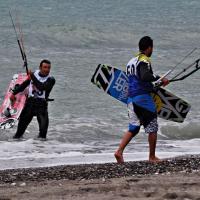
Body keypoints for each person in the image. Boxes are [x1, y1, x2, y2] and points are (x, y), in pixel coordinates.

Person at [114, 36, 169, 163]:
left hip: (131, 99)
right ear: (149, 47)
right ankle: (152, 157)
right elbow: (145, 76)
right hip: (142, 98)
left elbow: (137, 80)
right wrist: (159, 78)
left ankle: (119, 151)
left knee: (134, 127)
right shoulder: (145, 60)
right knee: (152, 126)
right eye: (152, 47)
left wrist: (155, 85)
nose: (152, 50)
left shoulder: (131, 61)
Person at [10, 59, 55, 140]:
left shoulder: (51, 79)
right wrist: (13, 94)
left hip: (42, 106)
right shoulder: (34, 74)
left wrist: (32, 77)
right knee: (18, 134)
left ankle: (38, 150)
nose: (47, 70)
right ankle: (15, 148)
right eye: (45, 67)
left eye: (49, 68)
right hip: (29, 104)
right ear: (40, 68)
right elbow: (24, 84)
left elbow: (41, 87)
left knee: (43, 135)